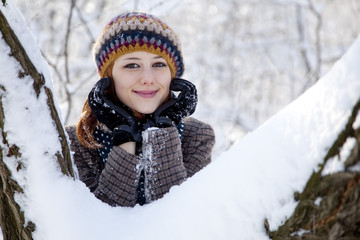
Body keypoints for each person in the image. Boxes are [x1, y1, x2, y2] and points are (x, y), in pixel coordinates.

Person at [66, 12, 215, 207]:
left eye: (159, 64)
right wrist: (125, 141)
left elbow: (178, 217)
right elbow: (100, 223)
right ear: (108, 76)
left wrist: (161, 132)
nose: (148, 78)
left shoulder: (197, 137)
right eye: (132, 65)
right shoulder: (76, 143)